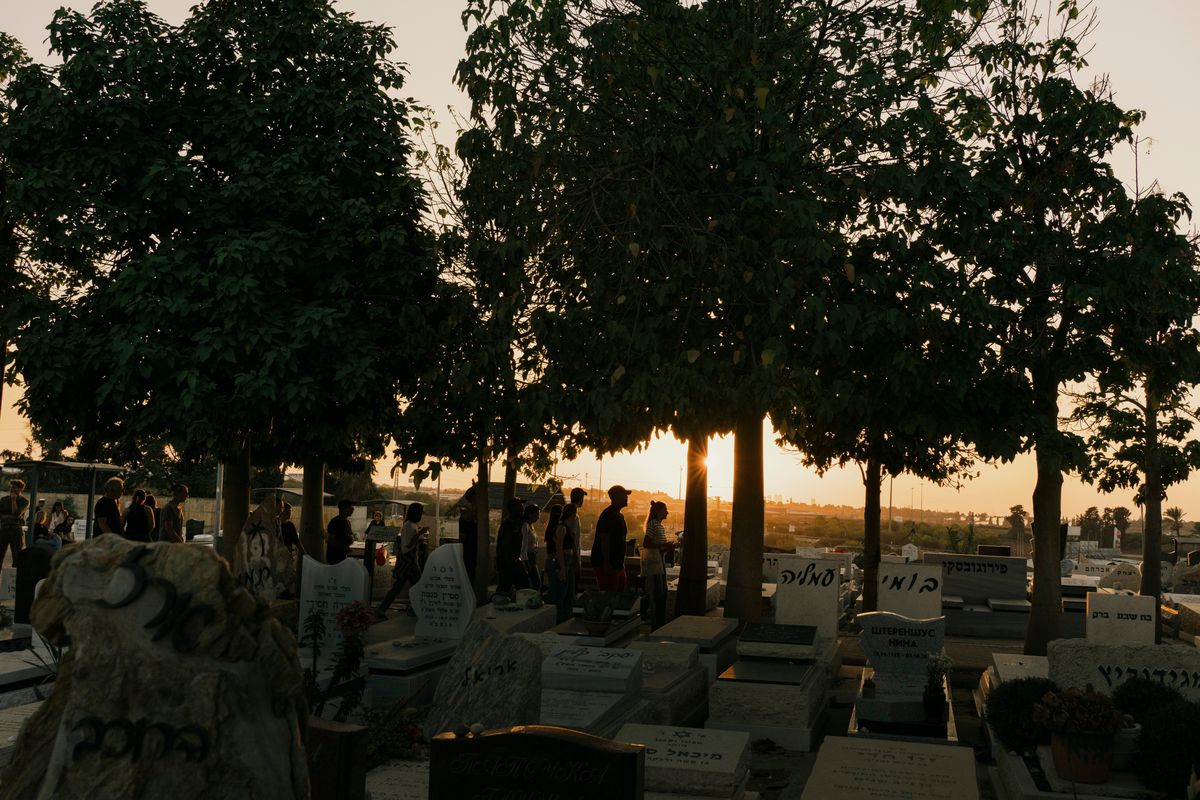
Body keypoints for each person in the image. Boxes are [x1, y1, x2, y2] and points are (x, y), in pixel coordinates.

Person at [376, 502, 427, 619]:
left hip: (408, 560)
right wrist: (420, 533)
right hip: (409, 561)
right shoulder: (410, 526)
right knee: (418, 586)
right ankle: (414, 609)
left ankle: (382, 608)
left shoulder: (411, 524)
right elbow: (408, 545)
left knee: (399, 587)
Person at [641, 501, 675, 629]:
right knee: (656, 592)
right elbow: (646, 544)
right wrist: (663, 546)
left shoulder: (659, 526)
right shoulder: (653, 525)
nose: (667, 512)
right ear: (657, 512)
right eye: (664, 510)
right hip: (654, 565)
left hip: (660, 563)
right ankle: (655, 621)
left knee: (661, 592)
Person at [590, 485, 631, 592]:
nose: (627, 498)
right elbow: (605, 539)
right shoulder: (608, 515)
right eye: (624, 495)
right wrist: (607, 563)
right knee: (609, 595)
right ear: (615, 497)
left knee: (618, 592)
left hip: (616, 564)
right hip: (606, 564)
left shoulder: (618, 516)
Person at [545, 504, 577, 622]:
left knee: (568, 594)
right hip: (562, 561)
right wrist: (562, 568)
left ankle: (565, 618)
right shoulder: (562, 528)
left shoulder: (566, 528)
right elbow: (559, 548)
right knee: (560, 594)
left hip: (567, 561)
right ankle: (557, 620)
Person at [496, 497, 528, 597]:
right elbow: (506, 547)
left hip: (514, 561)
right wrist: (511, 563)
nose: (523, 508)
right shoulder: (508, 524)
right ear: (514, 508)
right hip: (507, 563)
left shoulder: (518, 522)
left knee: (524, 588)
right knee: (504, 590)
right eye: (520, 506)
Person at [0, 480, 30, 568]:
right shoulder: (3, 500)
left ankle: (15, 578)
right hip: (4, 529)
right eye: (11, 487)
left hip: (16, 530)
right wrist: (11, 517)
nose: (11, 489)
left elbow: (17, 514)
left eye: (14, 487)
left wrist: (13, 501)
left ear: (20, 489)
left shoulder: (24, 501)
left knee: (17, 556)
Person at [458, 484, 479, 581]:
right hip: (469, 551)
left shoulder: (477, 515)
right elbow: (462, 537)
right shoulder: (465, 516)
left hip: (475, 551)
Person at [326, 499, 355, 564]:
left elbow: (350, 535)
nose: (353, 509)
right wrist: (345, 548)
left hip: (343, 556)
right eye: (351, 507)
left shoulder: (347, 522)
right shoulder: (334, 522)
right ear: (343, 508)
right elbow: (330, 540)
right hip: (334, 557)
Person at [521, 503, 541, 591]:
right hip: (528, 558)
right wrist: (525, 562)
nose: (538, 517)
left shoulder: (530, 526)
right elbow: (523, 546)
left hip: (532, 557)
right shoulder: (525, 526)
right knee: (535, 583)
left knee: (535, 583)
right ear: (530, 515)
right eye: (536, 515)